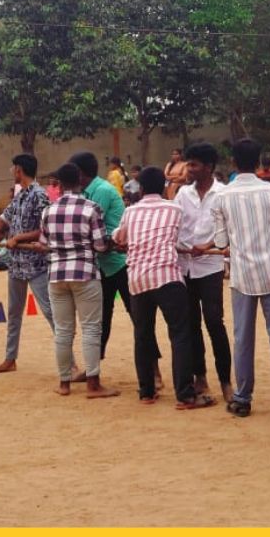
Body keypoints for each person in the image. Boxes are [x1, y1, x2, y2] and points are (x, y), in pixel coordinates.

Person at [205, 138, 270, 421]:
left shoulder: (221, 197)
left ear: (233, 162)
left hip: (241, 275)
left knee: (242, 337)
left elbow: (220, 241)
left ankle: (242, 398)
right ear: (258, 161)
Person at [114, 167, 206, 406]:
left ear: (141, 188)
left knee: (142, 335)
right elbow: (184, 238)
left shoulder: (130, 211)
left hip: (138, 279)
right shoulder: (174, 208)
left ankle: (146, 392)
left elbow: (119, 238)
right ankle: (185, 394)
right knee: (180, 334)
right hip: (167, 276)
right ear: (164, 187)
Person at [41, 163, 119, 399]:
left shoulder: (48, 211)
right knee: (91, 329)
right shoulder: (91, 208)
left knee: (63, 331)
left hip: (56, 275)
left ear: (59, 184)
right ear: (79, 180)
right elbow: (100, 245)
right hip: (84, 273)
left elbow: (44, 244)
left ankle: (64, 383)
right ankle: (93, 384)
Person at [0, 154, 54, 374]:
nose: (12, 172)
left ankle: (70, 363)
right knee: (14, 313)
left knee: (50, 312)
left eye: (13, 169)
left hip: (36, 264)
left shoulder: (39, 195)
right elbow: (2, 224)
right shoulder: (19, 196)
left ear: (19, 169)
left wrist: (18, 238)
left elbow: (45, 229)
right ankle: (10, 359)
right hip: (17, 264)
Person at [73, 151, 146, 373]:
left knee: (137, 317)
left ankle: (153, 370)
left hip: (120, 262)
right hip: (102, 264)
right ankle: (93, 370)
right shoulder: (86, 192)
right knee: (100, 320)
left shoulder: (102, 191)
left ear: (81, 173)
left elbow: (87, 225)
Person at [173, 143, 232, 400]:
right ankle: (200, 377)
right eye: (188, 163)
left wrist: (208, 246)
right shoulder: (182, 194)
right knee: (191, 324)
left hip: (210, 267)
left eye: (194, 164)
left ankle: (226, 381)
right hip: (185, 266)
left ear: (209, 167)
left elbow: (229, 229)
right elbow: (174, 225)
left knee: (214, 322)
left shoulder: (224, 194)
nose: (189, 169)